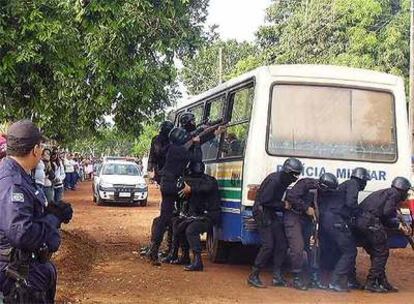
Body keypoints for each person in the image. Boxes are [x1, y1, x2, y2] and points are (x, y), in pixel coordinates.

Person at [0, 120, 73, 303]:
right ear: (34, 150)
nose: (42, 151)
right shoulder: (13, 182)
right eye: (41, 146)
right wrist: (51, 220)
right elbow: (21, 233)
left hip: (28, 270)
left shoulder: (19, 174)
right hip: (17, 277)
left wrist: (50, 211)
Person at [147, 127, 202, 265]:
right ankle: (178, 251)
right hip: (173, 185)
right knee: (183, 212)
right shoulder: (180, 151)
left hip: (166, 183)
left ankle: (154, 249)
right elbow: (197, 158)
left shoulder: (171, 148)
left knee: (165, 217)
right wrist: (197, 143)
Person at [247, 158, 303, 288]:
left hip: (270, 212)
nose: (296, 177)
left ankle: (277, 276)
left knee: (282, 243)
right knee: (268, 245)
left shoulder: (283, 180)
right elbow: (265, 201)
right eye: (294, 174)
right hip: (262, 213)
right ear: (288, 171)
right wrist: (283, 205)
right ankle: (253, 275)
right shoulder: (275, 181)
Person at [354, 176, 413, 293]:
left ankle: (381, 280)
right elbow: (387, 213)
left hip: (360, 223)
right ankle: (371, 282)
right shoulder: (395, 194)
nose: (406, 194)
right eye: (406, 191)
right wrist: (398, 223)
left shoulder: (387, 193)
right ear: (402, 190)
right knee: (382, 252)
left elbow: (383, 215)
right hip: (368, 223)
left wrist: (397, 224)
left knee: (377, 252)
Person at [318, 167, 370, 292]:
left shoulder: (345, 184)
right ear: (361, 179)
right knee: (350, 251)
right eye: (365, 181)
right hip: (335, 220)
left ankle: (326, 280)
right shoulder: (353, 184)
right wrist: (361, 213)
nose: (365, 184)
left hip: (326, 219)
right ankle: (335, 282)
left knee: (333, 250)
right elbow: (351, 203)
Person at [284, 173, 338, 290]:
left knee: (313, 248)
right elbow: (291, 197)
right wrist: (306, 207)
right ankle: (297, 278)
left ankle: (313, 277)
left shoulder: (326, 194)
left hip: (308, 220)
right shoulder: (306, 184)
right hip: (294, 217)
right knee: (297, 247)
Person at [172, 161, 221, 271]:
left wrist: (191, 189)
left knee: (191, 229)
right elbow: (180, 197)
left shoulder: (210, 181)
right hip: (197, 215)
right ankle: (185, 256)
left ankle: (198, 261)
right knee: (178, 225)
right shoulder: (189, 181)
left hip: (210, 215)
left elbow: (206, 188)